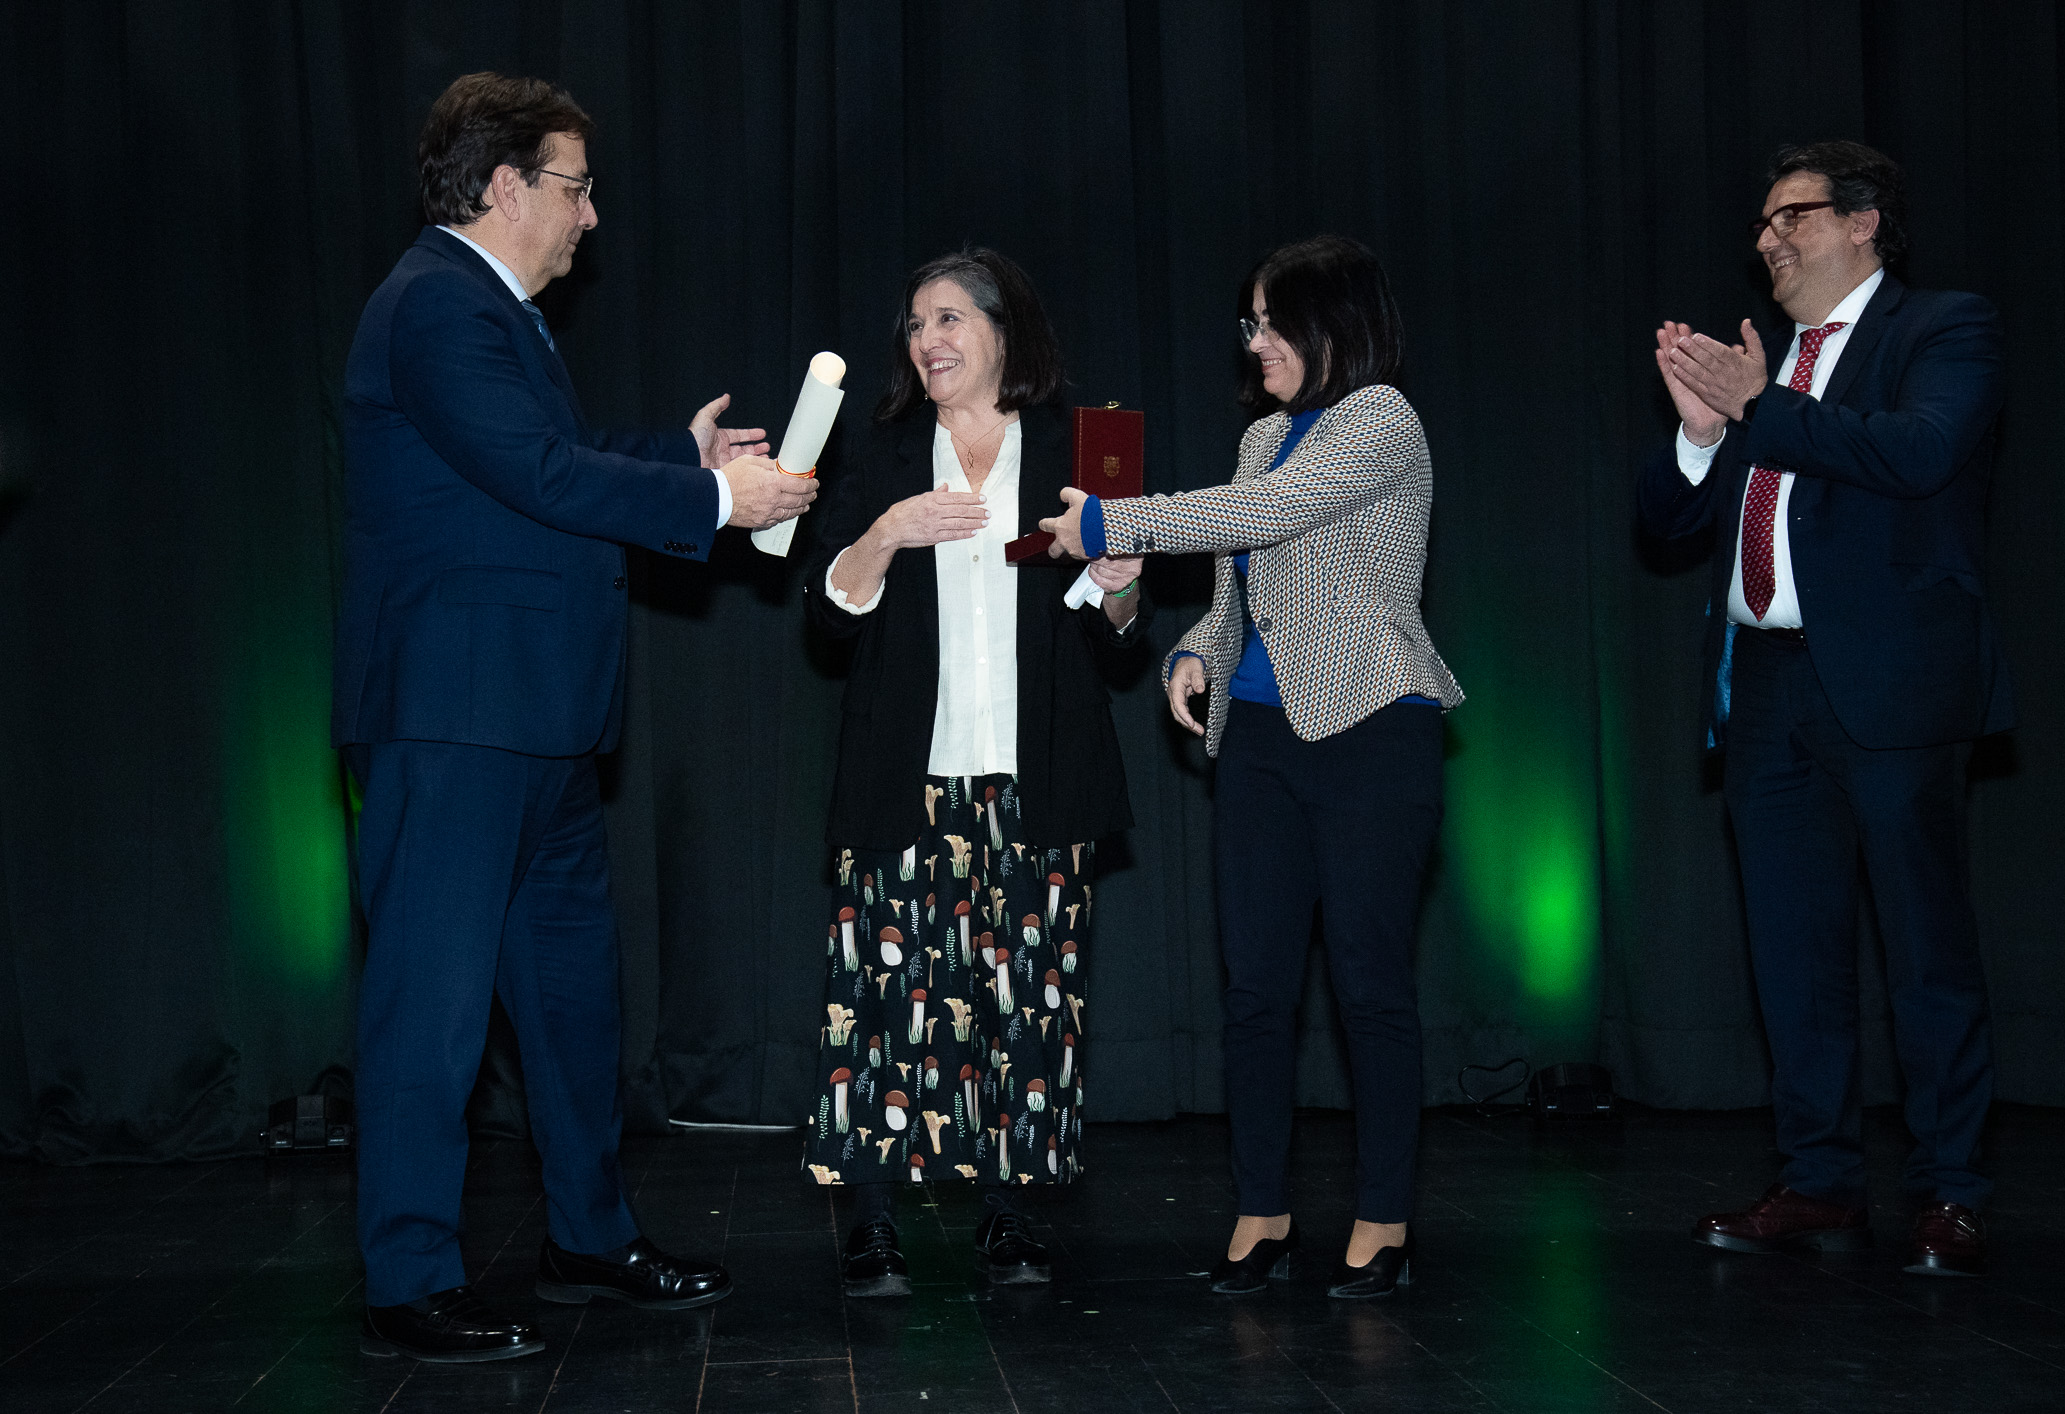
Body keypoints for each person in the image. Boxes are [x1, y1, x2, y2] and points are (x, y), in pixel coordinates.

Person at [334, 72, 816, 1362]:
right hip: (454, 720)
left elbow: (546, 458)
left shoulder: (494, 319)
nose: (591, 216)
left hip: (537, 722)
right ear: (504, 187)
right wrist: (722, 507)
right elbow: (536, 473)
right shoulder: (435, 303)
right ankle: (409, 1279)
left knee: (570, 1003)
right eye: (575, 186)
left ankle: (589, 1237)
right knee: (428, 1010)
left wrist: (685, 460)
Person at [1040, 234, 1462, 1299]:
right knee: (1255, 991)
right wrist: (1196, 649)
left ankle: (1383, 1221)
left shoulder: (1380, 419)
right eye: (1252, 322)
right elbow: (1243, 580)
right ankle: (1262, 1213)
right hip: (1264, 741)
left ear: (1337, 324)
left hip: (1372, 723)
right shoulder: (1263, 434)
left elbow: (1271, 515)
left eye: (1275, 321)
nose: (1258, 341)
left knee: (1370, 986)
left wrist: (1108, 517)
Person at [1640, 141, 2008, 1277]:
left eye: (1791, 215)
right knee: (1792, 952)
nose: (1767, 239)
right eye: (1760, 223)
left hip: (1892, 688)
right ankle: (1819, 1179)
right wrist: (1703, 432)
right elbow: (1664, 528)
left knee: (1923, 947)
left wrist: (1764, 407)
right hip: (1766, 690)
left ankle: (1950, 1190)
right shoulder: (1762, 360)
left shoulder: (1940, 328)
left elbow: (1922, 452)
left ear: (1866, 222)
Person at [799, 248, 1151, 1295]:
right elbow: (826, 612)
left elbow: (1118, 637)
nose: (929, 340)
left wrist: (1122, 585)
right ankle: (871, 1222)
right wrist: (887, 532)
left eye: (949, 318)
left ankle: (1010, 1214)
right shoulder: (887, 447)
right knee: (881, 1003)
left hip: (1036, 774)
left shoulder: (1076, 449)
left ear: (1006, 330)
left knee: (1027, 1006)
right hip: (906, 774)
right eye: (915, 324)